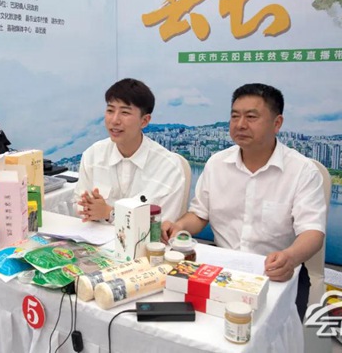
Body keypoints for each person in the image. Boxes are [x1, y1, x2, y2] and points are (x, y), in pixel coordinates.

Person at [161, 83, 327, 321]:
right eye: (235, 116)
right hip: (221, 268)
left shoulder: (302, 171)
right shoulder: (217, 164)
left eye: (251, 117)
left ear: (277, 123)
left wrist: (290, 257)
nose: (240, 124)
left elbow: (312, 232)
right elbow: (199, 214)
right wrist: (179, 227)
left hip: (276, 272)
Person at [74, 78, 187, 224]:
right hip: (93, 237)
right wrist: (88, 208)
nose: (114, 120)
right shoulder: (93, 155)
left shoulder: (168, 166)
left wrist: (110, 214)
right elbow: (79, 205)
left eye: (125, 113)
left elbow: (160, 226)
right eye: (110, 110)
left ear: (144, 121)